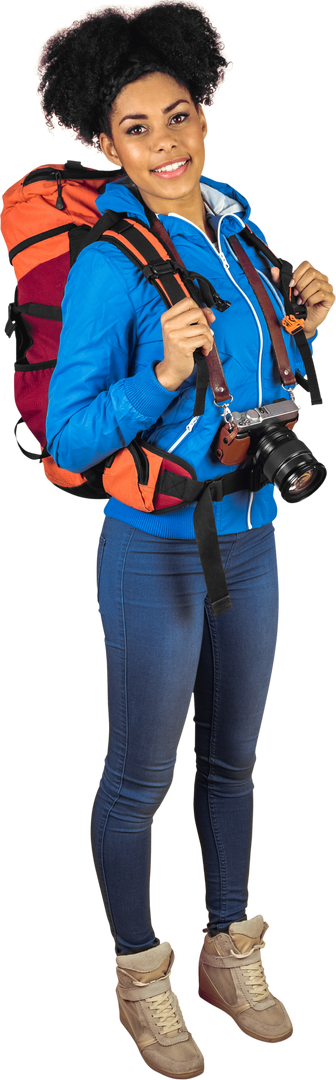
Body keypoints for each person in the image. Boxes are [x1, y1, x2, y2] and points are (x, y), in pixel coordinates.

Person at [31, 2, 335, 1075]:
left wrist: (304, 314)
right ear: (100, 141)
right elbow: (66, 436)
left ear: (206, 107)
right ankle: (139, 974)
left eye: (181, 115)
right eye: (139, 128)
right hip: (154, 543)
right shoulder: (111, 261)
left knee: (237, 765)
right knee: (140, 777)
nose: (168, 145)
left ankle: (231, 951)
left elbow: (254, 368)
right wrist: (156, 375)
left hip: (255, 533)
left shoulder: (234, 207)